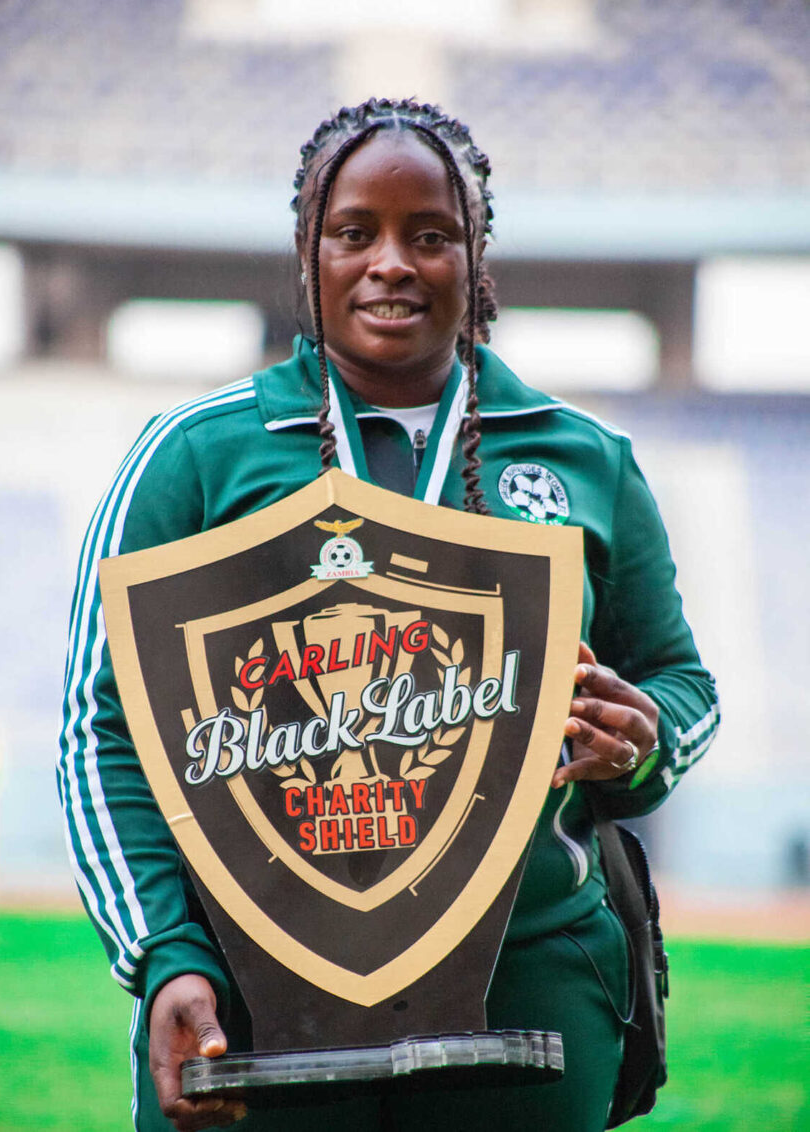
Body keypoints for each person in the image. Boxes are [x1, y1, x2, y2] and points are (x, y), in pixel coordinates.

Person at [58, 98, 719, 1132]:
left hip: (530, 985)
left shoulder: (585, 457)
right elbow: (101, 730)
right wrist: (165, 955)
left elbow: (681, 681)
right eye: (354, 231)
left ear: (476, 255)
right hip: (251, 992)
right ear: (305, 251)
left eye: (430, 235)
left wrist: (640, 738)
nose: (391, 264)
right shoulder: (193, 452)